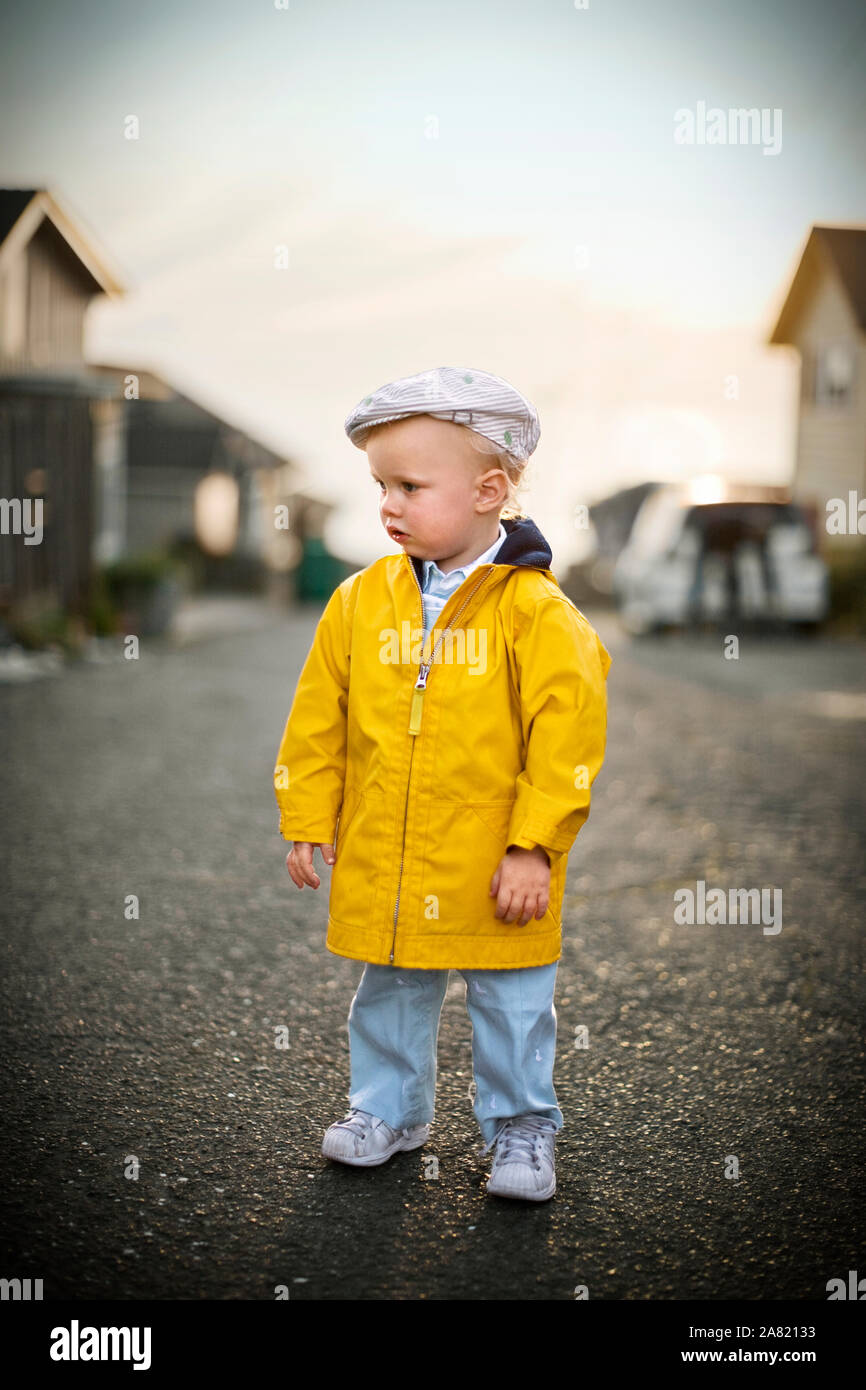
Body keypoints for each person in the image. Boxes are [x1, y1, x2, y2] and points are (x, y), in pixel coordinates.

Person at [273, 366, 611, 1201]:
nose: (388, 503)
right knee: (389, 989)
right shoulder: (359, 602)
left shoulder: (537, 613)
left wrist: (535, 845)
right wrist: (308, 814)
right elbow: (318, 719)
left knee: (512, 1002)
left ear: (489, 490)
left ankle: (522, 1127)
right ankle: (388, 1112)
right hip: (392, 853)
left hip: (498, 860)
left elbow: (567, 739)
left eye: (410, 485)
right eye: (380, 485)